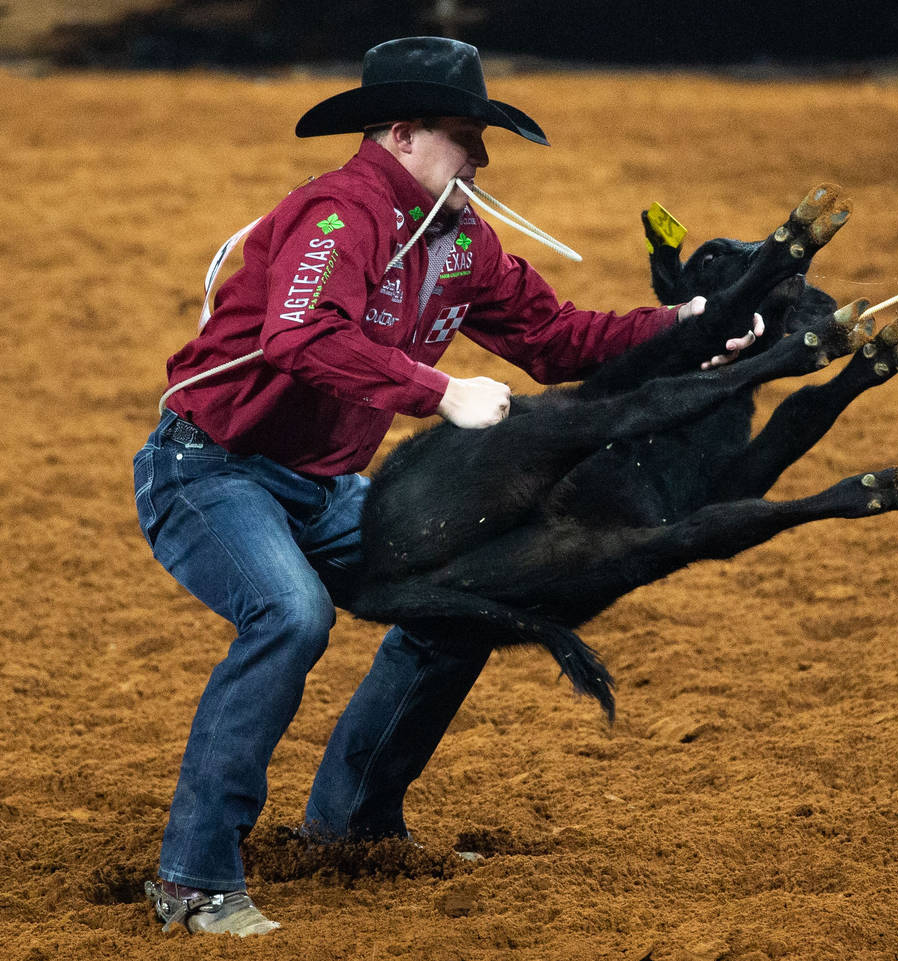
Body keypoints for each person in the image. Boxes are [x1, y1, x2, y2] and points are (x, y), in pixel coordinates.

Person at [135, 36, 759, 936]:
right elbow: (298, 336)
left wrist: (686, 326)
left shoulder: (461, 242)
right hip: (209, 468)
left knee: (465, 600)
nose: (482, 159)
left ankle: (352, 826)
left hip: (320, 481)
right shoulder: (337, 215)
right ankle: (193, 880)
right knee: (291, 613)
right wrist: (439, 390)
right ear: (402, 133)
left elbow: (558, 338)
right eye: (467, 136)